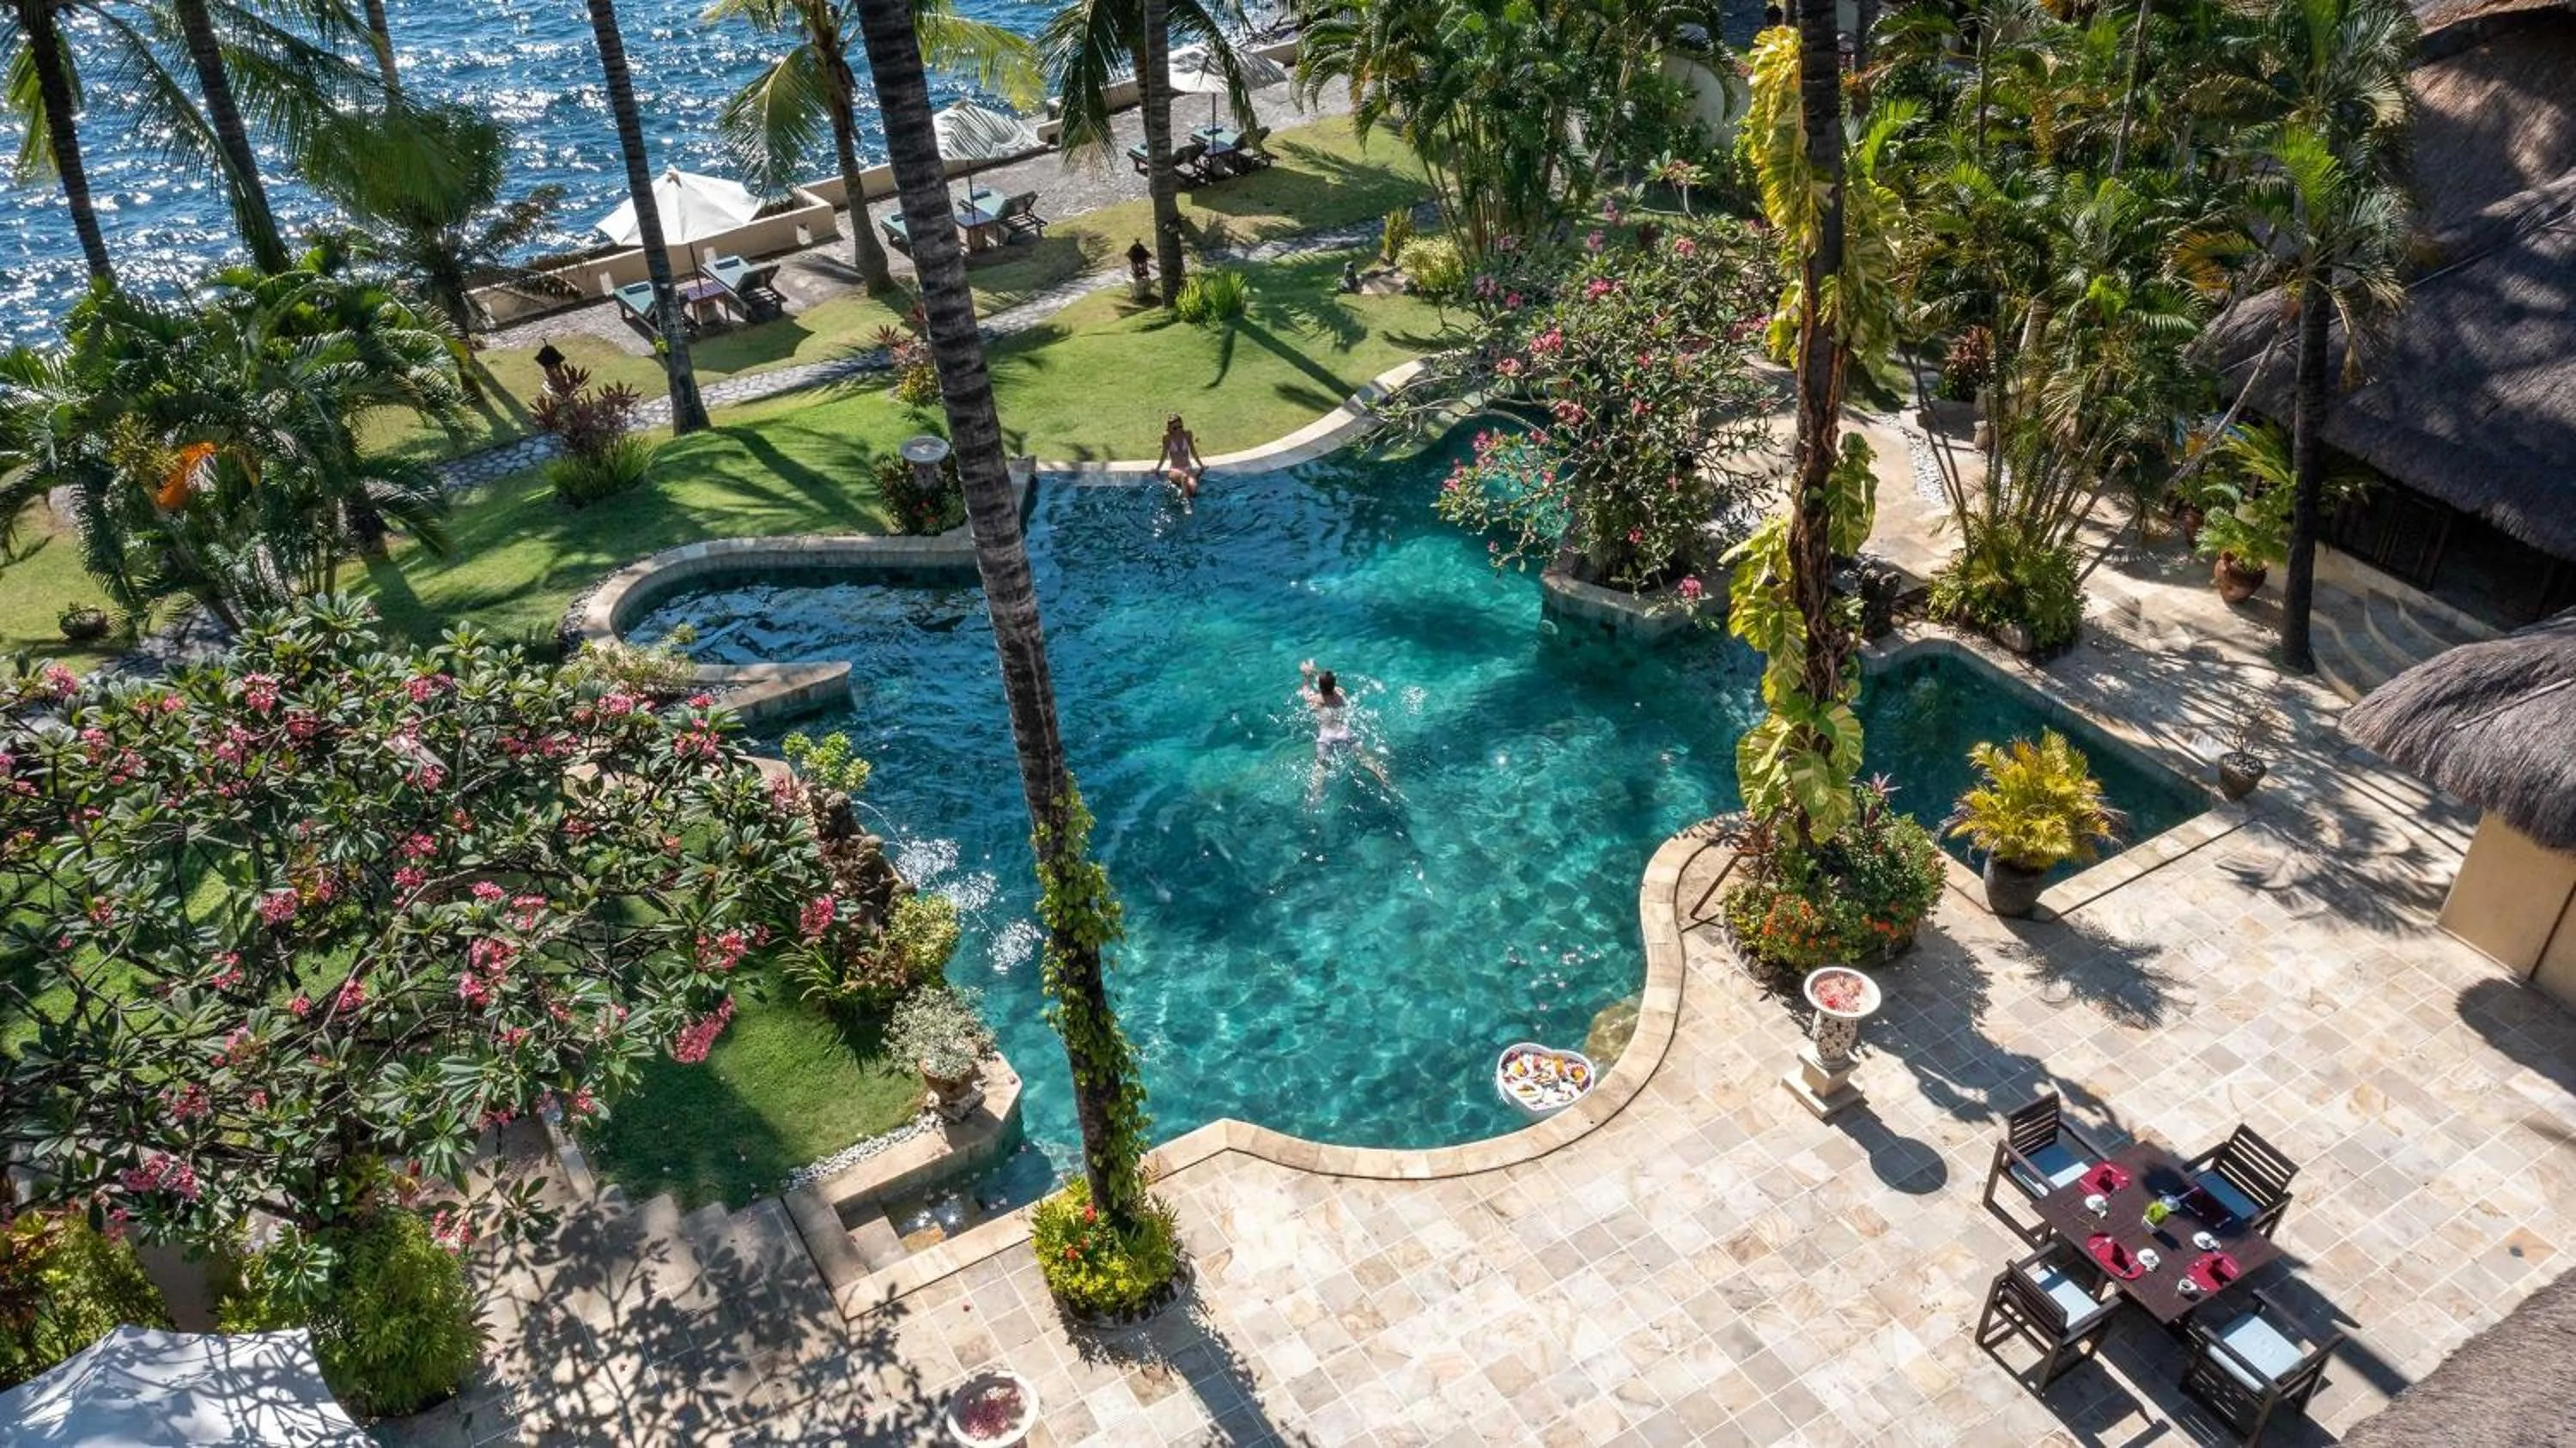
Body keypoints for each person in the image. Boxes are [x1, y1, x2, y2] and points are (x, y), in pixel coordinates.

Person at [1298, 660, 1391, 800]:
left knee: (1321, 766)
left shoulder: (1316, 700)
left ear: (1319, 687)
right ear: (1334, 684)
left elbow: (1305, 692)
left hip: (1326, 737)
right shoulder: (1340, 693)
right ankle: (1386, 782)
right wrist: (1315, 671)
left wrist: (1305, 676)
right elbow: (1325, 681)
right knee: (1365, 758)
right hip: (1344, 733)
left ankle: (1315, 797)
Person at [1158, 414, 1206, 501]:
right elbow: (1164, 455)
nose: (1178, 430)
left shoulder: (1187, 434)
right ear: (1170, 428)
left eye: (1180, 426)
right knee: (1183, 477)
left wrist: (1201, 466)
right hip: (1175, 469)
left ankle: (1185, 490)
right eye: (1175, 428)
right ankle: (1186, 504)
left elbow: (1193, 451)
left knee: (1193, 488)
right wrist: (1157, 469)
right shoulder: (1167, 437)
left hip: (1187, 468)